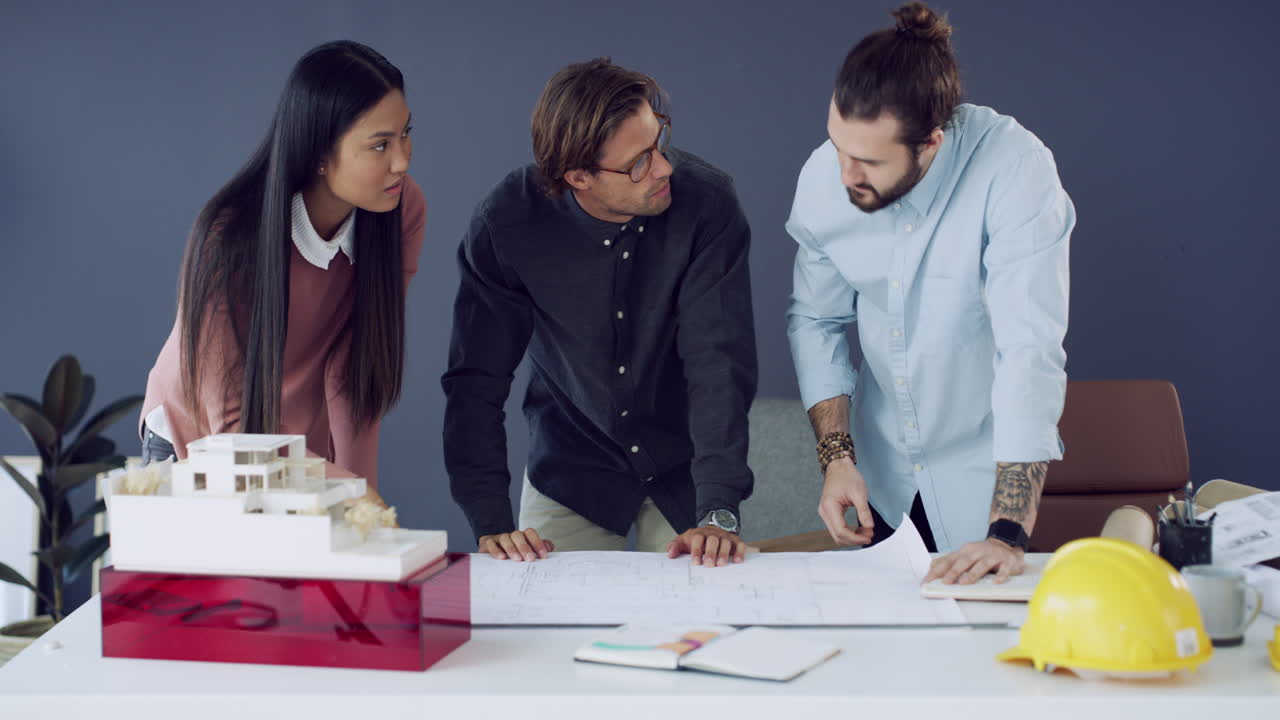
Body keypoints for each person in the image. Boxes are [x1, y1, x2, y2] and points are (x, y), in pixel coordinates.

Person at [785, 3, 1075, 583]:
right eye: (838, 146)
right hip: (881, 478)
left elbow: (1028, 348)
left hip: (982, 480)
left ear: (931, 142)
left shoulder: (1016, 170)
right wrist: (836, 461)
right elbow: (815, 321)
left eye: (867, 161)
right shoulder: (826, 175)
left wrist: (1008, 531)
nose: (845, 176)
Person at [443, 58, 757, 567]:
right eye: (638, 162)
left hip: (686, 467)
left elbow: (717, 361)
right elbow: (476, 379)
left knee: (696, 624)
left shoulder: (707, 204)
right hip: (570, 466)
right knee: (547, 630)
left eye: (660, 143)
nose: (664, 168)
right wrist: (491, 521)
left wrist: (720, 508)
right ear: (578, 177)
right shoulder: (505, 224)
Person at [139, 40, 426, 503]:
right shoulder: (229, 236)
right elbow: (229, 428)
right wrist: (343, 487)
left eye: (405, 133)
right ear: (319, 153)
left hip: (291, 447)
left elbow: (356, 370)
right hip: (198, 440)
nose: (403, 160)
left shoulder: (401, 208)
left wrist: (362, 497)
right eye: (380, 145)